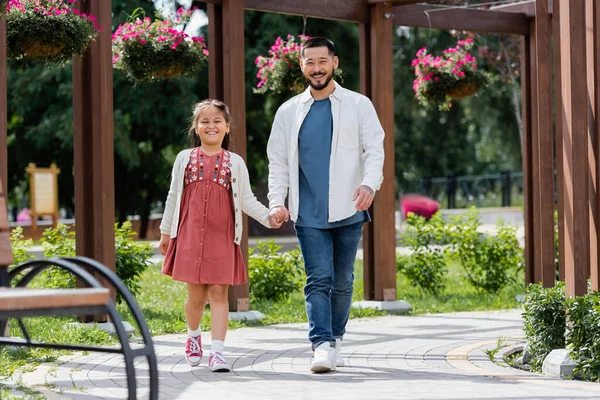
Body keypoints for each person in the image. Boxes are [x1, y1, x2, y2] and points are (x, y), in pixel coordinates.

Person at [267, 37, 385, 373]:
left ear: (334, 62)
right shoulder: (288, 112)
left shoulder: (358, 104)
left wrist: (369, 184)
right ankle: (321, 345)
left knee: (343, 280)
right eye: (309, 62)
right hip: (308, 212)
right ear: (301, 65)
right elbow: (277, 162)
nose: (316, 68)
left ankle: (336, 338)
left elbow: (374, 149)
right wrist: (277, 201)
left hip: (350, 207)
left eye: (322, 61)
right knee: (318, 278)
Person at [159, 99, 282, 372]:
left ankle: (218, 352)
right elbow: (173, 197)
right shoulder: (184, 159)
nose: (211, 125)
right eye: (205, 121)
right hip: (190, 234)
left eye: (217, 121)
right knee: (196, 297)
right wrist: (166, 232)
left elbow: (247, 199)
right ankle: (193, 337)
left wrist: (268, 217)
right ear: (196, 127)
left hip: (222, 236)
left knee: (218, 293)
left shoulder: (235, 163)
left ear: (227, 127)